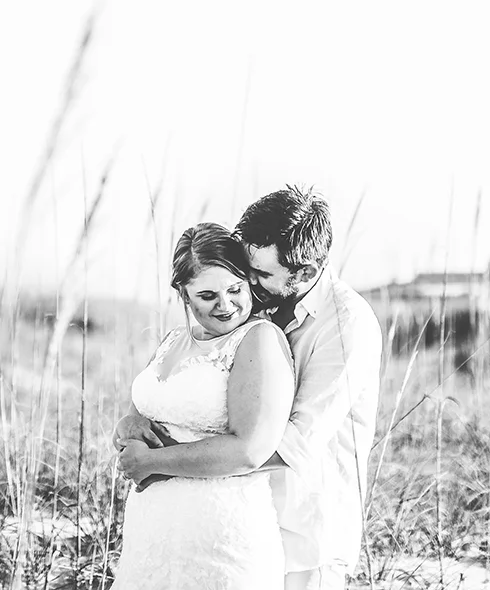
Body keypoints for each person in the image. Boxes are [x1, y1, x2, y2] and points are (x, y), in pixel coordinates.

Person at [117, 187, 383, 590]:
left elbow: (286, 444)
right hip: (226, 518)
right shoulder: (255, 302)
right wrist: (135, 425)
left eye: (258, 275)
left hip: (306, 535)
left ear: (306, 273)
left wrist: (158, 461)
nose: (246, 284)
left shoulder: (348, 327)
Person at [109, 223, 296, 589]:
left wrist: (149, 462)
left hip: (220, 538)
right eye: (208, 295)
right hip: (152, 537)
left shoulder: (257, 341)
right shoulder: (173, 340)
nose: (226, 305)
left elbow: (249, 449)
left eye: (235, 289)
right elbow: (140, 415)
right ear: (184, 294)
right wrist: (124, 429)